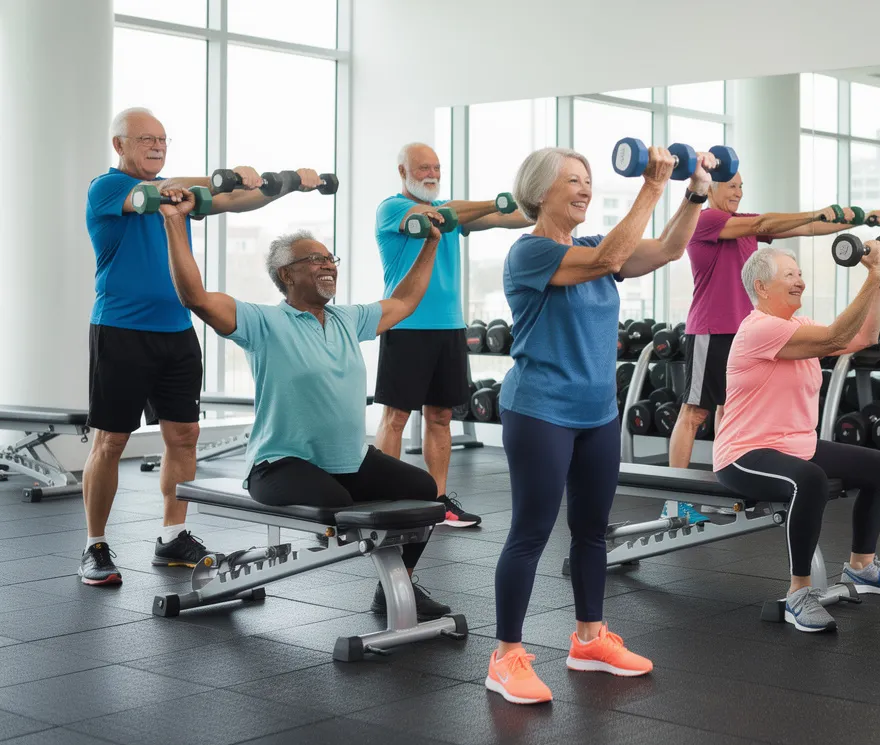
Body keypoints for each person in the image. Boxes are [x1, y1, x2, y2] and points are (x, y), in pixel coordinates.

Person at [485, 145, 716, 706]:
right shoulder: (530, 253)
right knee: (531, 532)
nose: (585, 189)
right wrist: (652, 187)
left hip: (597, 412)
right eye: (573, 181)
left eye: (589, 180)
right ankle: (505, 656)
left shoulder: (591, 246)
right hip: (540, 407)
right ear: (541, 192)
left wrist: (694, 194)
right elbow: (614, 257)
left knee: (592, 530)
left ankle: (589, 640)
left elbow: (665, 249)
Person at [159, 190, 454, 619]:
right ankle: (238, 569)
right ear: (286, 274)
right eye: (315, 259)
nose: (328, 264)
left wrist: (431, 243)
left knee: (424, 492)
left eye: (330, 258)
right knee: (333, 501)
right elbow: (196, 298)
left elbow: (406, 300)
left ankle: (397, 584)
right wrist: (173, 221)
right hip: (279, 464)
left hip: (349, 462)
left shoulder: (348, 319)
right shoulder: (263, 322)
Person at [80, 107, 321, 587]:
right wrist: (222, 175)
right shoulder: (107, 188)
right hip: (121, 331)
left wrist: (287, 182)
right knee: (111, 441)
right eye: (146, 139)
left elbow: (235, 201)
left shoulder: (179, 192)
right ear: (119, 145)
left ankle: (173, 535)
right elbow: (151, 195)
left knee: (184, 435)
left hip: (177, 330)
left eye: (163, 139)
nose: (156, 146)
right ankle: (95, 545)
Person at [712, 245, 880, 633]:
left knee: (879, 467)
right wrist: (871, 276)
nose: (800, 280)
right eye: (789, 275)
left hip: (796, 444)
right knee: (809, 479)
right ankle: (798, 593)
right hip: (744, 451)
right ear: (761, 286)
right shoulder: (759, 328)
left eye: (800, 273)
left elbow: (866, 335)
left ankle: (862, 567)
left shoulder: (798, 327)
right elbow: (835, 336)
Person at [668, 170, 880, 516]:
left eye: (742, 186)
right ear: (710, 188)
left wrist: (852, 225)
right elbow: (774, 221)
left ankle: (733, 486)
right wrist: (820, 211)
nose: (739, 191)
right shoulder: (707, 219)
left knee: (730, 410)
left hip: (753, 331)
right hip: (712, 327)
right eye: (731, 185)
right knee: (695, 413)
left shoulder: (745, 226)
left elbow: (804, 228)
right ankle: (675, 502)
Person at [372, 142, 531, 529]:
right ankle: (386, 498)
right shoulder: (392, 208)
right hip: (405, 324)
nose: (431, 174)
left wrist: (542, 208)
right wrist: (496, 201)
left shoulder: (453, 214)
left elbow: (508, 219)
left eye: (436, 168)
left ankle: (437, 501)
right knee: (396, 417)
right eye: (423, 168)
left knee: (441, 416)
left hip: (449, 327)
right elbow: (443, 214)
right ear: (403, 172)